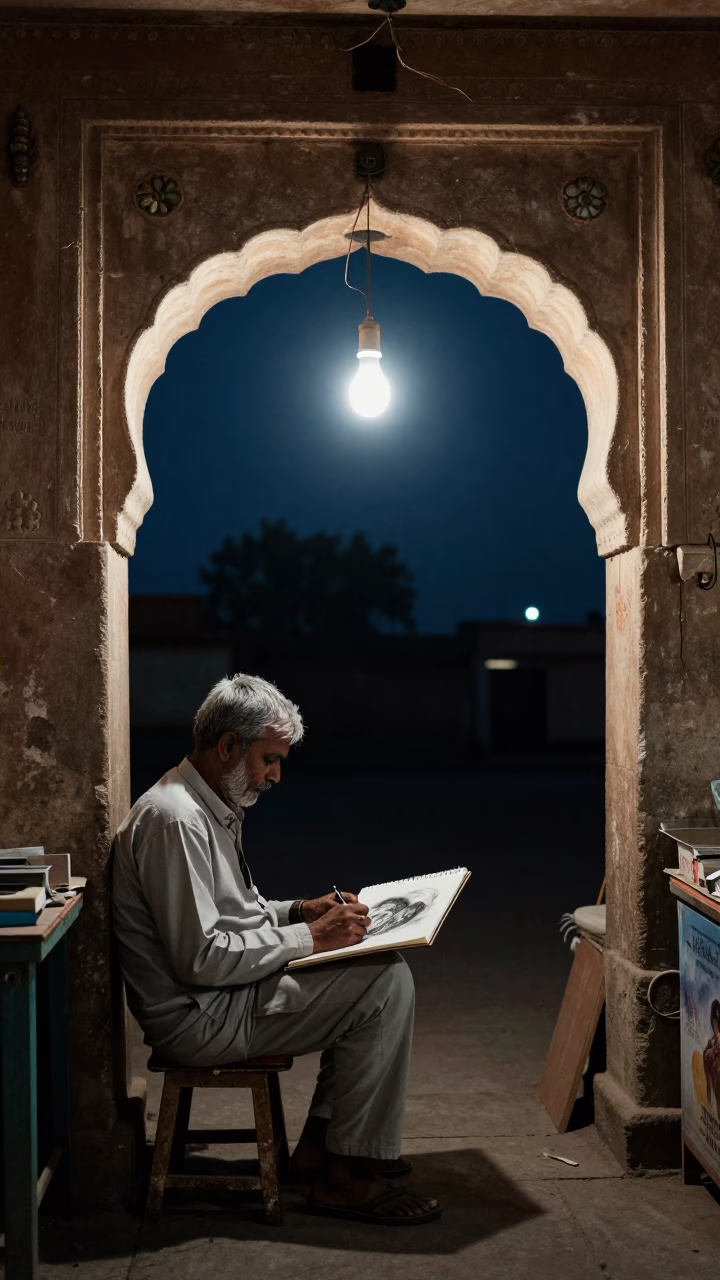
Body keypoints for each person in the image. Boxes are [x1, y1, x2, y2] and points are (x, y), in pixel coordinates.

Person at [112, 673, 440, 1225]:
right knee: (384, 983)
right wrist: (312, 939)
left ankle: (323, 1148)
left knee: (371, 967)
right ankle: (347, 1175)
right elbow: (202, 959)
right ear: (227, 747)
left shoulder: (206, 805)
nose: (275, 776)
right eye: (269, 760)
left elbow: (235, 912)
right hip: (200, 1016)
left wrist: (297, 912)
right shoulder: (176, 821)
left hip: (220, 996)